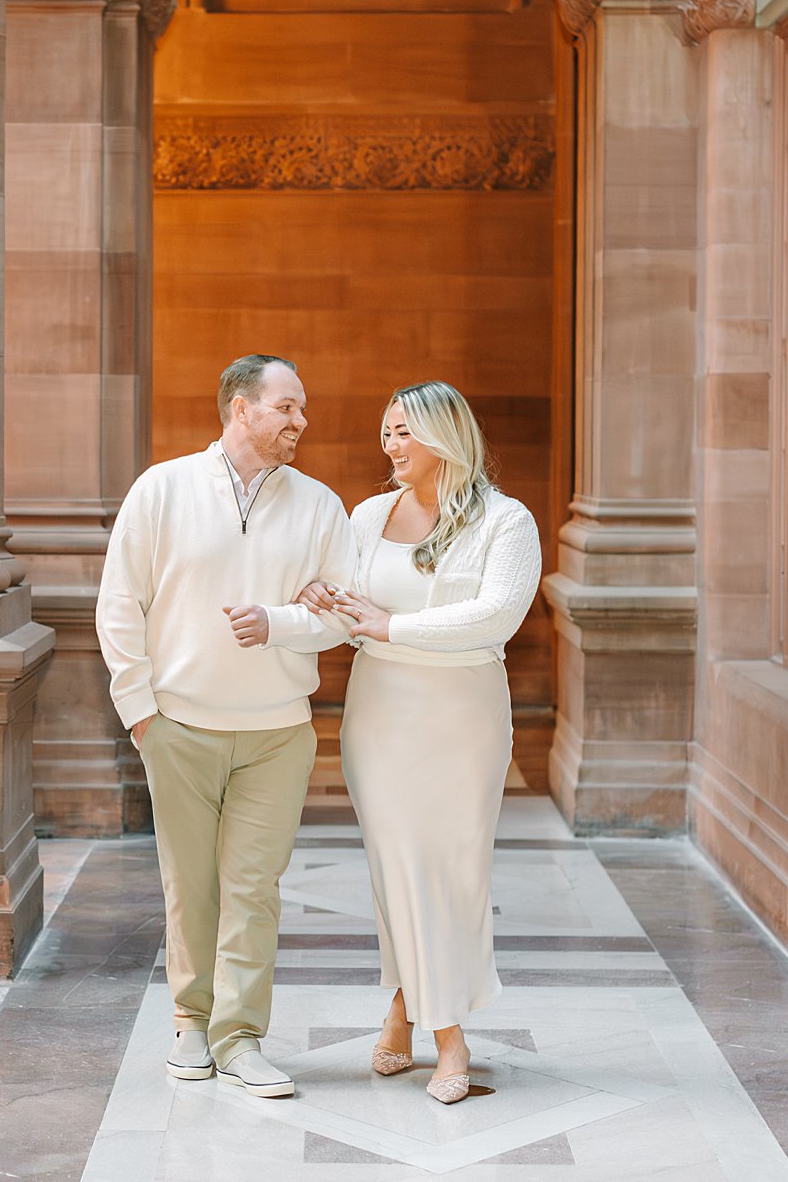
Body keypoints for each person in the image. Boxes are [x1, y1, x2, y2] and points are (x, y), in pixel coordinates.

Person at [96, 354, 352, 1099]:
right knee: (190, 885)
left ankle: (240, 1038)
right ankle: (189, 1025)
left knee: (254, 888)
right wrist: (140, 711)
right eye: (286, 407)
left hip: (278, 732)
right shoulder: (162, 489)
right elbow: (119, 605)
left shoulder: (320, 506)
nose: (300, 420)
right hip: (177, 727)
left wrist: (278, 621)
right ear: (241, 409)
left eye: (302, 408)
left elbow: (343, 612)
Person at [283, 380, 541, 1104]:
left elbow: (494, 618)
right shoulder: (368, 515)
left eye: (402, 432)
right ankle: (435, 1027)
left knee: (453, 873)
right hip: (381, 716)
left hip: (462, 719)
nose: (389, 445)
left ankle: (418, 1016)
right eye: (385, 432)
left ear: (444, 435)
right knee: (396, 869)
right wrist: (314, 605)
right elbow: (348, 613)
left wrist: (387, 626)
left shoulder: (505, 521)